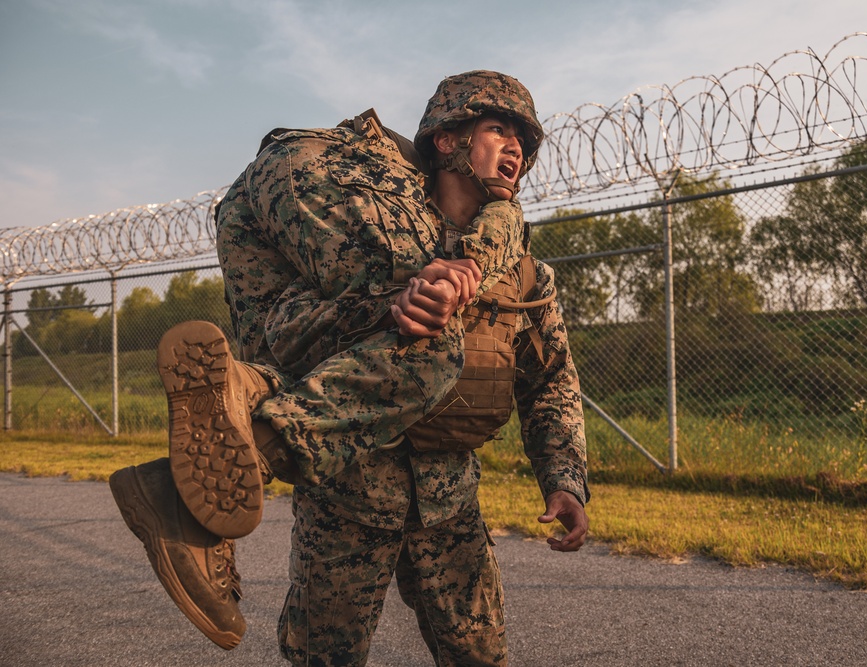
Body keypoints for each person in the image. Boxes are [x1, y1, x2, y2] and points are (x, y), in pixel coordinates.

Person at [109, 70, 590, 665]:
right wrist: (391, 305)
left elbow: (550, 382)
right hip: (348, 499)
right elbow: (287, 328)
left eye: (523, 139)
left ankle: (224, 446)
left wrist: (564, 479)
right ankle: (238, 424)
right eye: (497, 129)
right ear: (446, 141)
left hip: (449, 503)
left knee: (481, 657)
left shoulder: (524, 276)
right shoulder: (363, 233)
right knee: (324, 658)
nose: (515, 146)